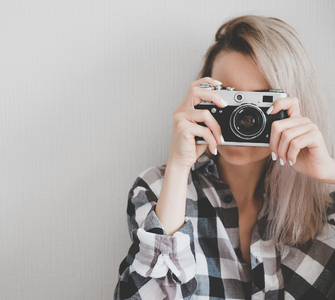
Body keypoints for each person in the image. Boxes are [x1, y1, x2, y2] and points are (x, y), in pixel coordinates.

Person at [114, 15, 335, 299]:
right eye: (228, 97)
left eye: (261, 101)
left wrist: (329, 170)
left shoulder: (325, 211)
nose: (242, 118)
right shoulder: (157, 188)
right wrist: (180, 166)